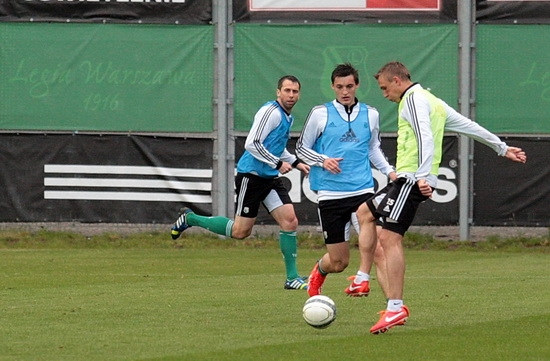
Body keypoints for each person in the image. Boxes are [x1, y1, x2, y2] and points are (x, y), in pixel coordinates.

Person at [355, 61, 527, 334]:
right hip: (407, 178)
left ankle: (395, 307)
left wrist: (423, 176)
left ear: (398, 81)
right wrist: (501, 147)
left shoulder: (412, 100)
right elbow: (467, 125)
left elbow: (425, 138)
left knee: (389, 238)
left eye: (385, 88)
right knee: (364, 212)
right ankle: (362, 278)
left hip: (411, 179)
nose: (384, 94)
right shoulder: (431, 100)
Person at [170, 75, 311, 290]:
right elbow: (251, 143)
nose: (291, 95)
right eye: (287, 90)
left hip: (269, 178)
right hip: (252, 176)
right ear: (278, 92)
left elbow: (275, 146)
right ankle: (191, 218)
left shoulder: (286, 117)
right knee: (240, 232)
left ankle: (292, 277)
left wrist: (296, 162)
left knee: (290, 221)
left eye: (295, 91)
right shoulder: (270, 112)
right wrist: (276, 163)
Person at [295, 63, 396, 299]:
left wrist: (389, 172)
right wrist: (323, 160)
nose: (345, 91)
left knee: (379, 250)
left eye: (349, 86)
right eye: (340, 87)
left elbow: (373, 149)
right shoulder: (320, 113)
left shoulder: (371, 114)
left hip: (362, 191)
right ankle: (319, 272)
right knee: (339, 262)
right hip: (330, 194)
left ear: (357, 85)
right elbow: (301, 148)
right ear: (333, 87)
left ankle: (394, 307)